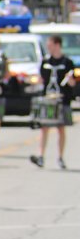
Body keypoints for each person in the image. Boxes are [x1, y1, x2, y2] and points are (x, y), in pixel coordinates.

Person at [31, 34, 76, 169]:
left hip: (62, 99)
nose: (48, 48)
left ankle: (60, 157)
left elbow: (73, 84)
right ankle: (41, 156)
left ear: (57, 45)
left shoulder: (67, 62)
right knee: (44, 128)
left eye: (50, 45)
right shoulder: (45, 61)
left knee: (61, 129)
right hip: (48, 99)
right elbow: (40, 79)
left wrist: (70, 79)